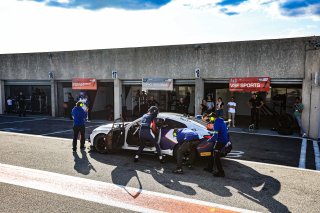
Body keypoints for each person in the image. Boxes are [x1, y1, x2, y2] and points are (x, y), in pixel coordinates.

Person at [203, 113, 229, 177]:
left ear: (213, 118)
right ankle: (209, 168)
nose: (209, 119)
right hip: (223, 140)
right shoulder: (221, 121)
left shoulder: (216, 123)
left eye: (210, 118)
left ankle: (221, 172)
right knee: (212, 152)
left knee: (216, 156)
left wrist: (208, 141)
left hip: (220, 141)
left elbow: (215, 136)